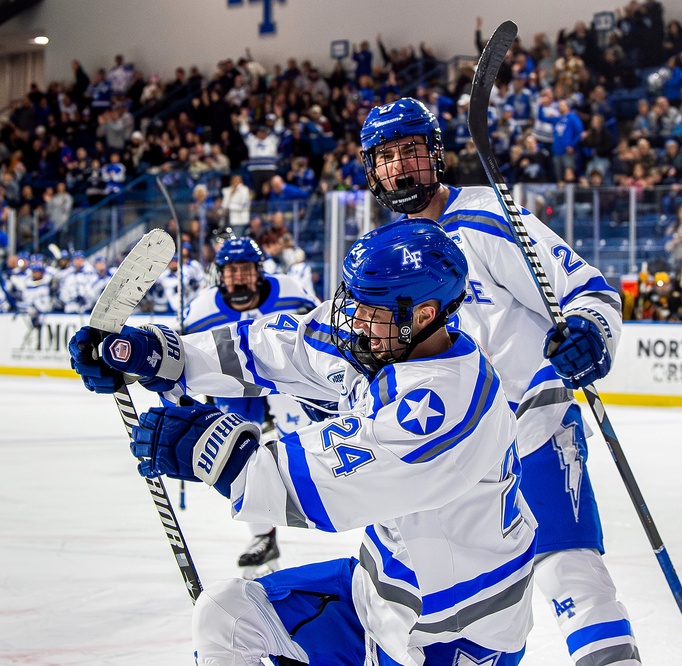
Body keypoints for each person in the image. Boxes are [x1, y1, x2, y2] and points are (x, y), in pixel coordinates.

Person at [68, 221, 538, 665]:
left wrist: (214, 450)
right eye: (354, 302)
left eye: (369, 310)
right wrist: (163, 355)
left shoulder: (446, 402)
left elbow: (326, 483)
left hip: (454, 626)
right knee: (227, 616)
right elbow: (277, 345)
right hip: (383, 587)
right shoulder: (385, 339)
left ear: (424, 315)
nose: (353, 320)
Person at [358, 98, 638, 665]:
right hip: (449, 458)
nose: (398, 166)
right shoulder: (384, 254)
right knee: (443, 613)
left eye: (410, 149)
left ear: (436, 155)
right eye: (385, 155)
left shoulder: (488, 217)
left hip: (531, 432)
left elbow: (590, 291)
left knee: (569, 574)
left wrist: (588, 331)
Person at [182, 237, 320, 578]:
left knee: (308, 446)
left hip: (289, 384)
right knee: (235, 456)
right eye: (232, 271)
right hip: (235, 389)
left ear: (258, 271)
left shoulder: (289, 290)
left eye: (245, 269)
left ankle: (324, 490)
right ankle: (263, 537)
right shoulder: (202, 308)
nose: (239, 277)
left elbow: (322, 331)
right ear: (221, 276)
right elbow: (189, 359)